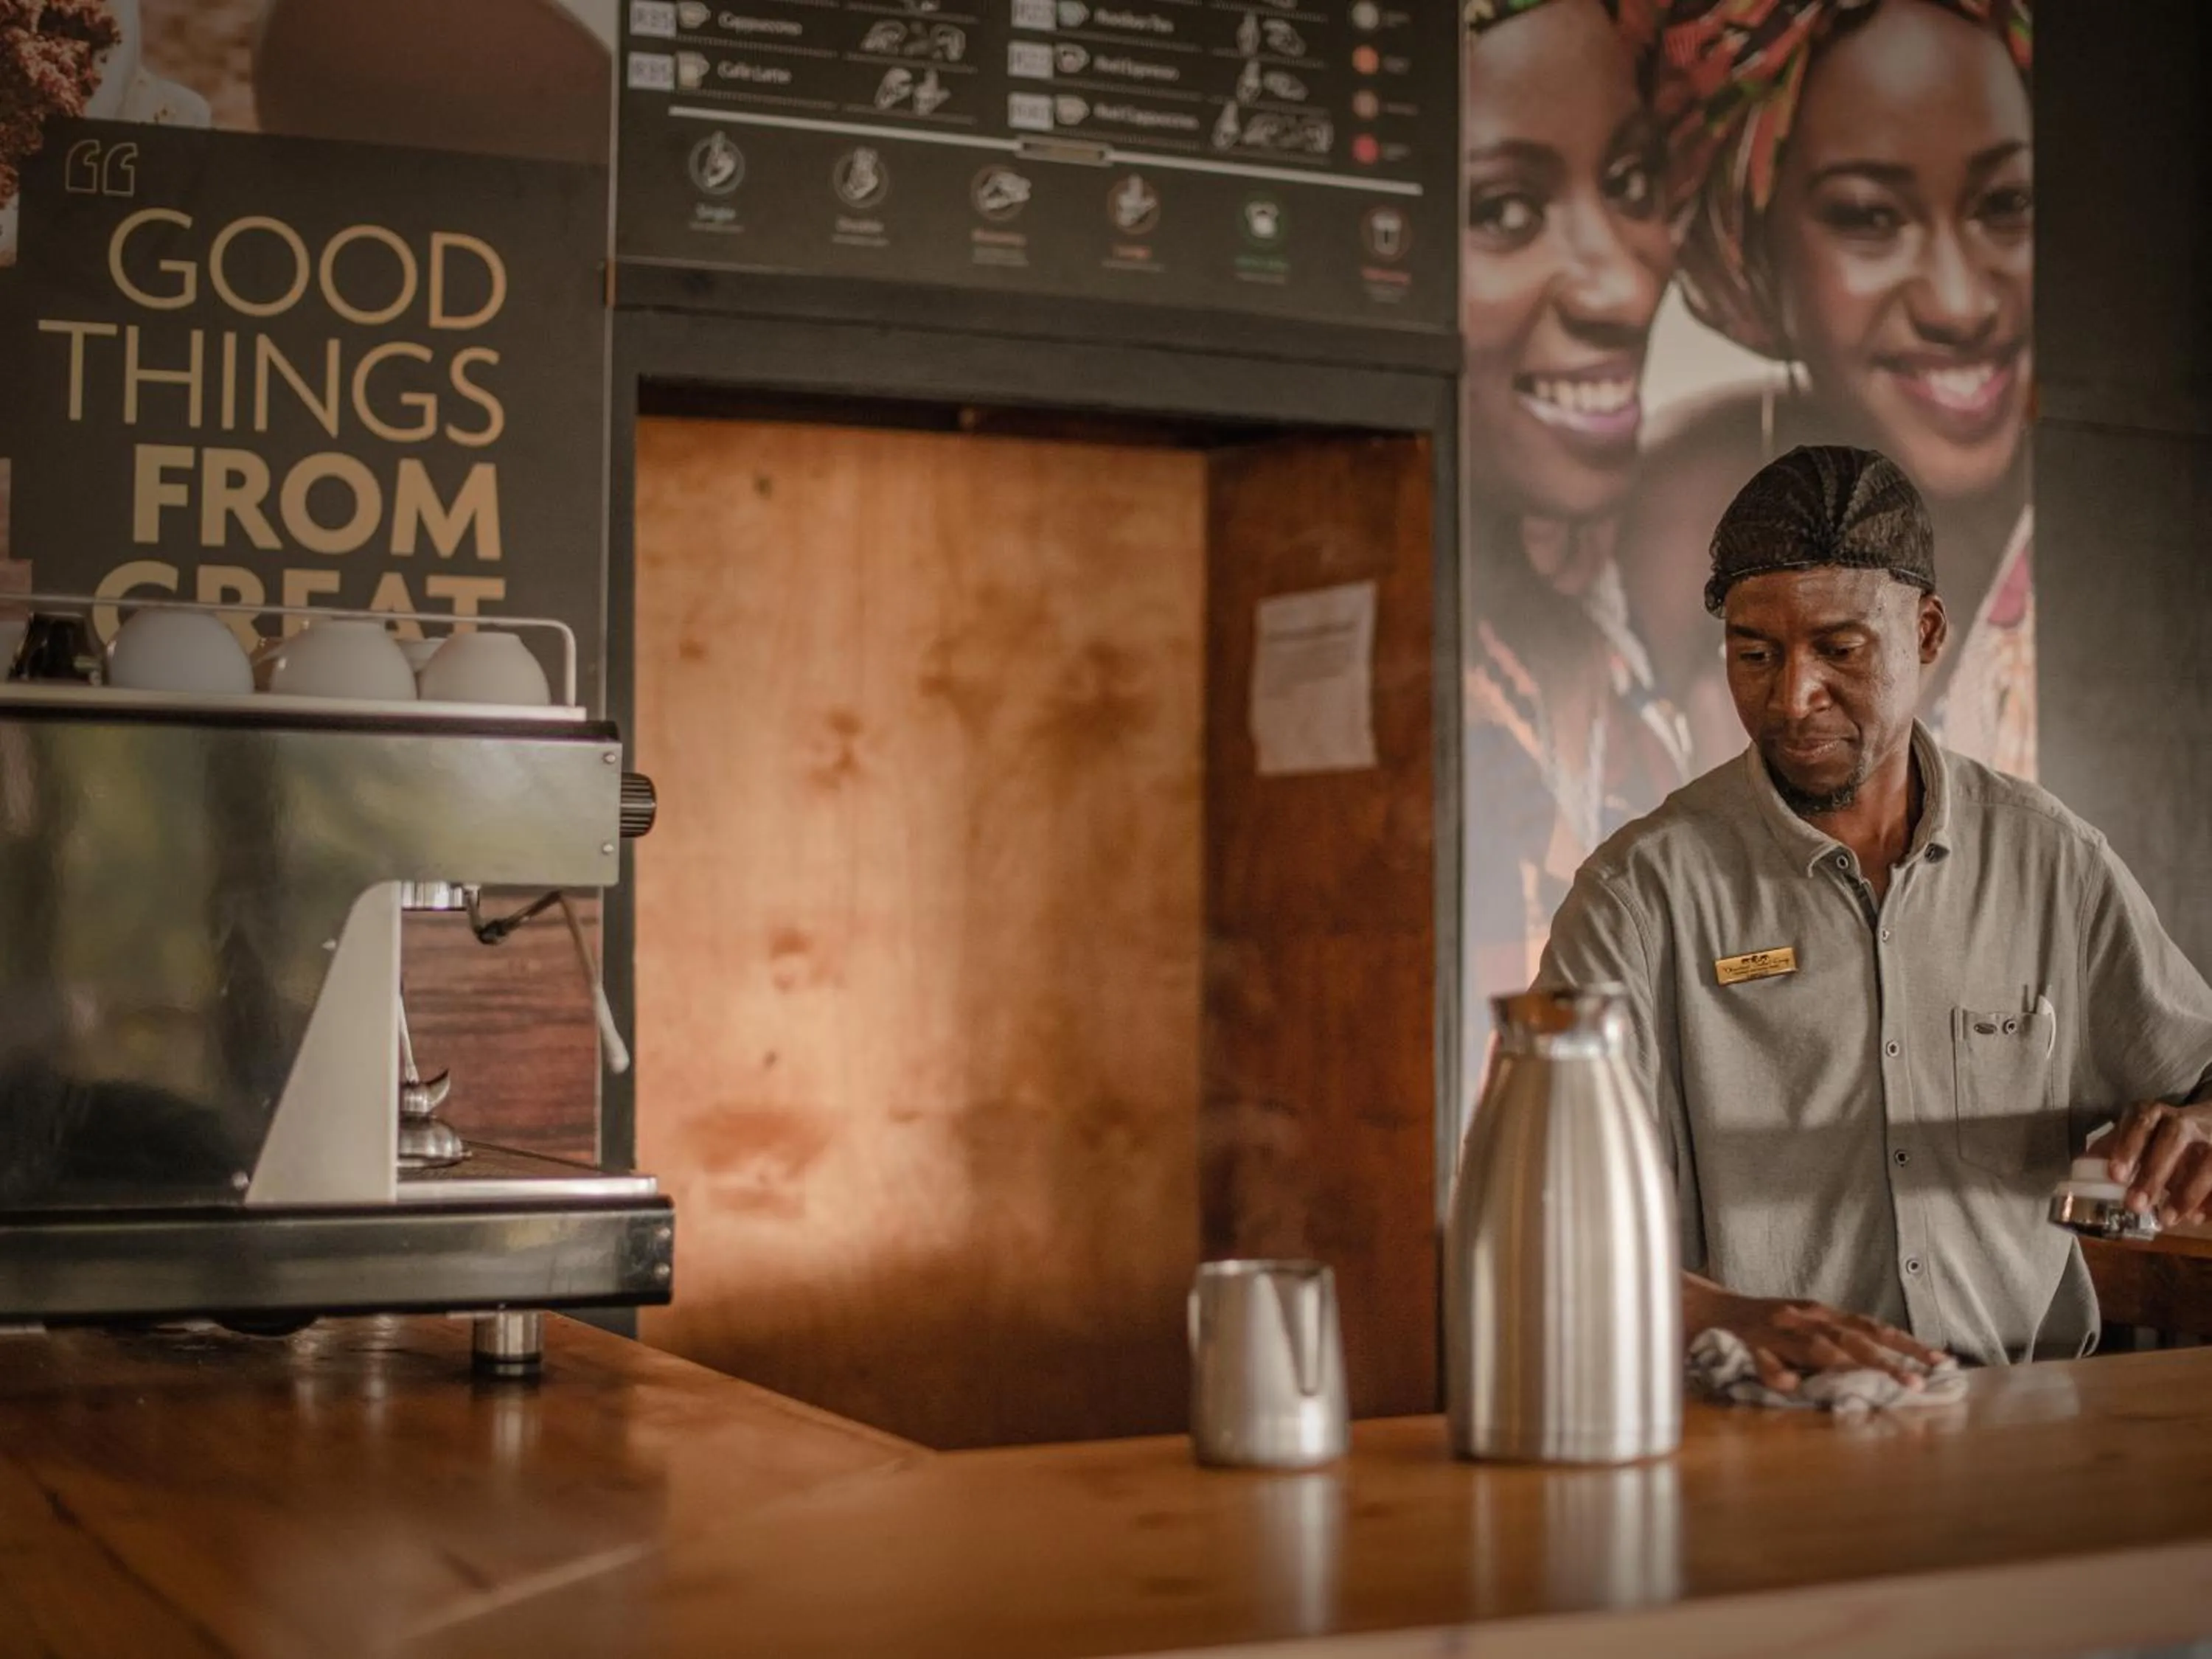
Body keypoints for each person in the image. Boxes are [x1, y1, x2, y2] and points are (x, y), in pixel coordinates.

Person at [1541, 445, 2212, 1385]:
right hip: (1765, 1441)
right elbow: (1550, 1215)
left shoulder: (2048, 860)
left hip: (2024, 1426)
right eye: (1755, 654)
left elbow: (2199, 1075)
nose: (1793, 698)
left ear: (1929, 633)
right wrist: (1733, 1315)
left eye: (1841, 650)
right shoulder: (1639, 897)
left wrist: (2200, 1128)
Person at [1620, 0, 2035, 782]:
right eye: (1870, 217)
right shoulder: (1668, 527)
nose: (1960, 302)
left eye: (2005, 205)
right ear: (1756, 245)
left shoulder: (2144, 532)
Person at [1461, 0, 1694, 1016]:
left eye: (1632, 182)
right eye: (1506, 210)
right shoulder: (1394, 703)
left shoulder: (1635, 678)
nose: (1621, 290)